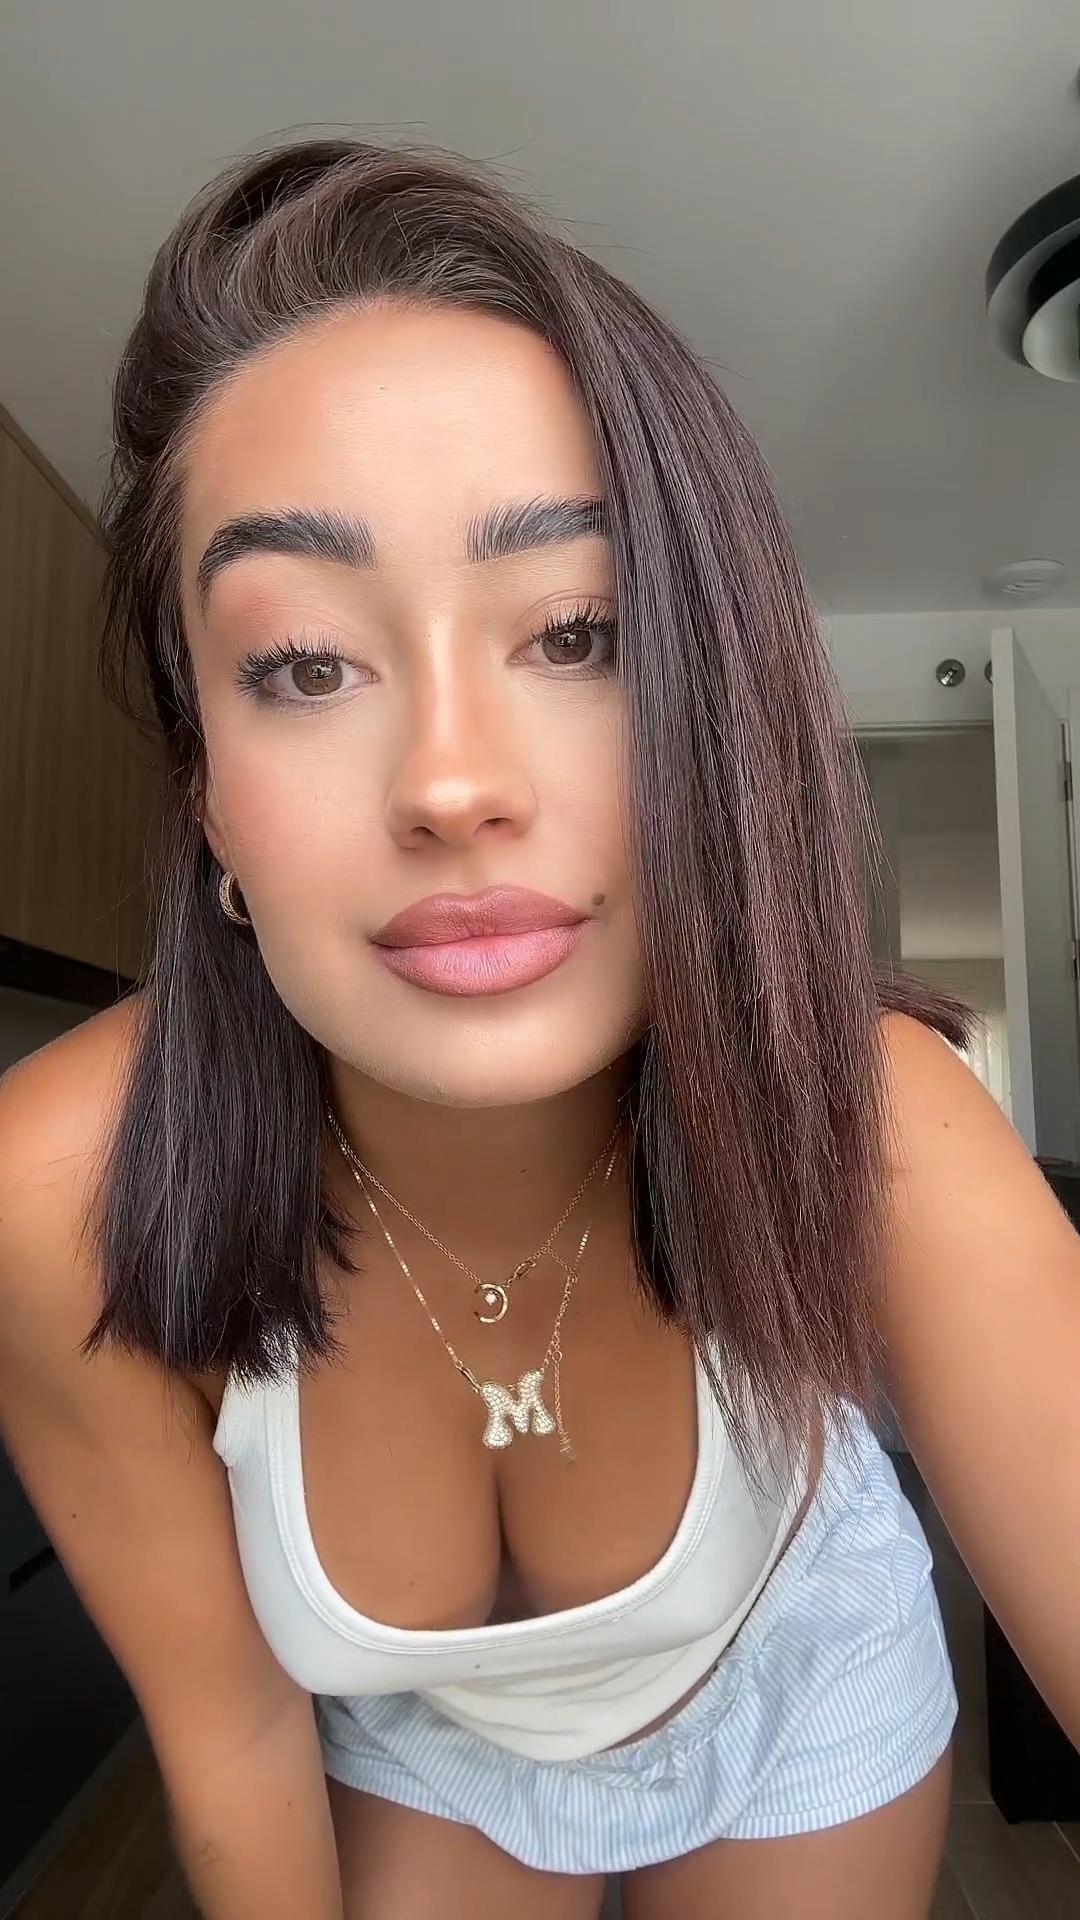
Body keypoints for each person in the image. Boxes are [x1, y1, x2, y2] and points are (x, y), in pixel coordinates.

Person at [0, 138, 1077, 1920]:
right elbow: (236, 1744)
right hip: (431, 1749)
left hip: (798, 1673)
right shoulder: (56, 1196)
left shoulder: (873, 1114)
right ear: (209, 802)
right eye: (302, 664)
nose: (450, 781)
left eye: (577, 632)